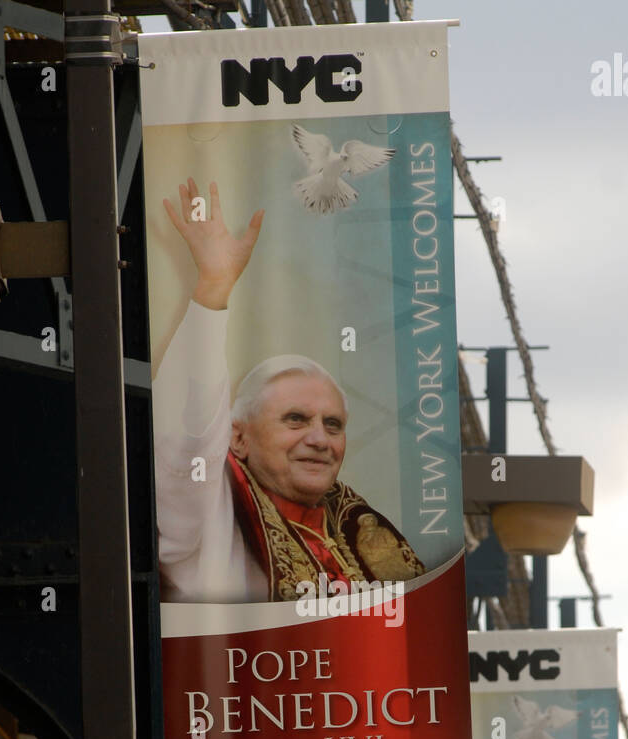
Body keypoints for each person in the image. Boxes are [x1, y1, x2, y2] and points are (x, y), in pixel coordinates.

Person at [152, 178, 425, 603]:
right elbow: (187, 434)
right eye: (295, 419)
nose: (319, 439)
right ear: (238, 437)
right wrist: (213, 291)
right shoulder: (207, 510)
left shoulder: (354, 525)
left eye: (332, 425)